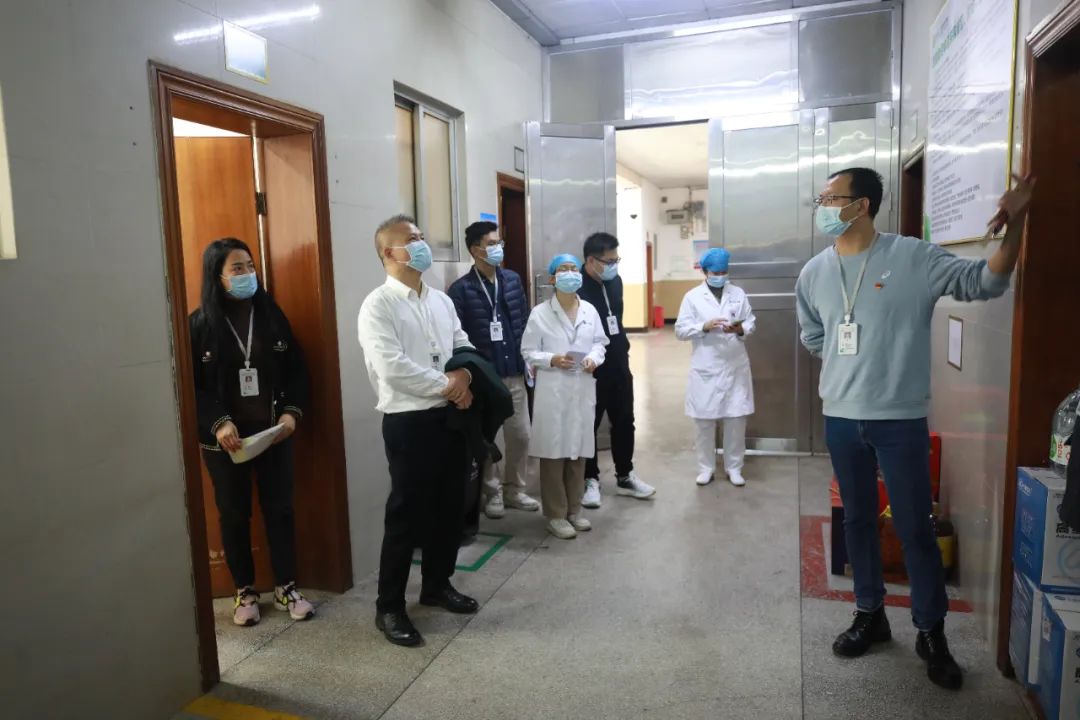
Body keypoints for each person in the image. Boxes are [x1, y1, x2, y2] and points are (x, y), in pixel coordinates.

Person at [795, 167, 1035, 690]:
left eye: (830, 199)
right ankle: (870, 614)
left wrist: (1016, 225)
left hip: (900, 420)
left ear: (861, 205)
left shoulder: (913, 257)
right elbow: (814, 334)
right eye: (821, 199)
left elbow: (987, 281)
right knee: (857, 521)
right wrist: (850, 367)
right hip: (841, 417)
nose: (822, 208)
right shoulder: (813, 272)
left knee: (915, 528)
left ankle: (931, 631)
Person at [358, 215, 480, 647]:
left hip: (450, 418)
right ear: (388, 252)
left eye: (422, 237)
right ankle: (389, 607)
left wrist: (464, 374)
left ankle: (437, 585)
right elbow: (392, 367)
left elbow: (463, 344)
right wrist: (448, 385)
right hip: (409, 422)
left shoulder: (441, 301)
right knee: (406, 516)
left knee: (450, 507)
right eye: (412, 239)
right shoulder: (378, 305)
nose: (422, 244)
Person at [189, 237, 314, 627]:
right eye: (237, 268)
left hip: (272, 434)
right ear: (218, 276)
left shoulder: (271, 315)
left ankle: (286, 586)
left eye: (250, 266)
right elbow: (192, 387)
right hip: (226, 442)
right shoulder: (200, 324)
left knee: (280, 509)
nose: (247, 274)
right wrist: (218, 421)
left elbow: (296, 371)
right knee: (233, 513)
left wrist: (291, 413)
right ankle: (244, 590)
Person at [448, 221, 540, 520]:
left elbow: (523, 321)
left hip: (514, 372)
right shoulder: (461, 290)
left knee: (521, 435)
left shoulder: (511, 280)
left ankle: (515, 489)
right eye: (492, 244)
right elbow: (457, 338)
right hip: (485, 379)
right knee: (487, 438)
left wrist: (528, 359)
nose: (499, 248)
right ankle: (493, 492)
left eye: (500, 242)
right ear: (476, 250)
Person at [521, 254, 608, 539]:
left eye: (573, 268)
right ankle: (556, 515)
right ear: (552, 278)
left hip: (581, 387)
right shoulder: (540, 313)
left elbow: (600, 343)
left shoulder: (590, 311)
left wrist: (594, 358)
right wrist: (552, 359)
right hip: (553, 390)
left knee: (578, 453)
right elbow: (528, 351)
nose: (570, 273)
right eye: (563, 269)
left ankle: (574, 510)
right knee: (554, 454)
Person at [577, 232, 656, 508]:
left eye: (616, 260)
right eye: (608, 261)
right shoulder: (577, 288)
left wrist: (623, 349)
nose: (613, 266)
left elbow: (617, 320)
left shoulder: (615, 282)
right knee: (589, 423)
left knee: (624, 419)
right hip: (591, 367)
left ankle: (625, 475)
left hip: (619, 362)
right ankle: (590, 479)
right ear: (591, 260)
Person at [675, 247, 756, 487]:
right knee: (704, 421)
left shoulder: (738, 293)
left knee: (736, 420)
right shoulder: (692, 297)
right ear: (705, 272)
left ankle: (734, 468)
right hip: (706, 366)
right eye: (715, 272)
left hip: (735, 365)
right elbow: (680, 330)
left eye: (723, 272)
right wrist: (703, 326)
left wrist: (740, 329)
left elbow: (750, 321)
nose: (720, 276)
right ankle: (705, 468)